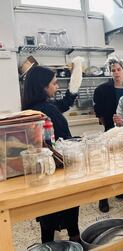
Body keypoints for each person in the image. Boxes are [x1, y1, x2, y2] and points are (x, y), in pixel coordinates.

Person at [21, 65, 81, 243]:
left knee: (47, 215)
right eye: (54, 83)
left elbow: (60, 105)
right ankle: (74, 241)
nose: (57, 86)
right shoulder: (46, 110)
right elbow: (63, 140)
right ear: (43, 87)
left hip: (42, 169)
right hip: (58, 168)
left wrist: (72, 90)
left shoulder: (32, 107)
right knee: (66, 207)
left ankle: (48, 245)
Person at [93, 57, 123, 213]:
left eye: (119, 69)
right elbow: (99, 112)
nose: (116, 73)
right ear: (109, 72)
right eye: (113, 70)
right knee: (107, 164)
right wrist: (108, 127)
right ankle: (102, 198)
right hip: (111, 132)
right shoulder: (102, 90)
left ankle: (122, 191)